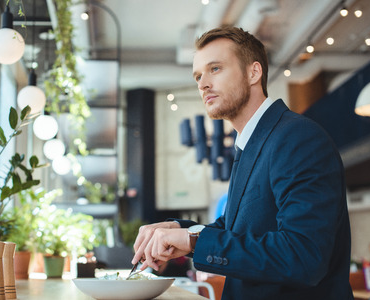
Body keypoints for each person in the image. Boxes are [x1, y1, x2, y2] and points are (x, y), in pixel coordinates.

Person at [131, 26, 353, 300]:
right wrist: (182, 230)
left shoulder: (297, 138)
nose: (202, 84)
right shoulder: (251, 144)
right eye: (198, 76)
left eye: (215, 69)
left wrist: (193, 241)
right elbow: (240, 228)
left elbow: (303, 256)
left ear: (253, 72)